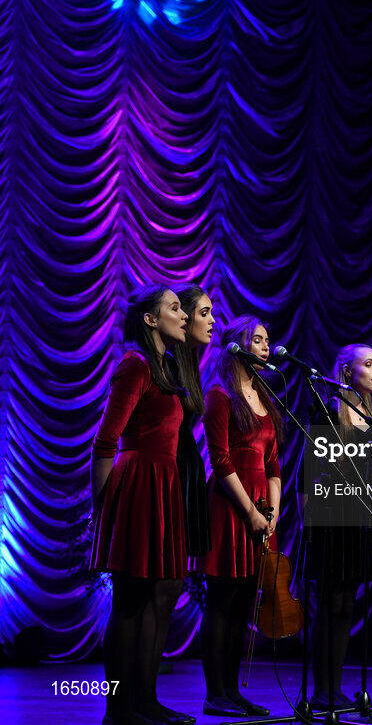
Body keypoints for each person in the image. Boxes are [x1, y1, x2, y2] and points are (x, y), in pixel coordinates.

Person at [90, 285, 195, 725]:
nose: (184, 315)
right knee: (130, 601)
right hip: (138, 487)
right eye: (175, 308)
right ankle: (117, 708)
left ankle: (143, 701)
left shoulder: (166, 367)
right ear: (150, 319)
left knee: (153, 596)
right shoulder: (134, 366)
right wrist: (105, 512)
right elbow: (105, 442)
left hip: (164, 486)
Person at [198, 317, 282, 717]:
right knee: (223, 603)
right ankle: (215, 694)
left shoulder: (265, 398)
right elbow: (219, 459)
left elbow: (274, 464)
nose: (265, 347)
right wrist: (249, 512)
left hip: (262, 515)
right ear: (236, 346)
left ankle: (233, 692)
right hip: (231, 510)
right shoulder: (220, 396)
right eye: (258, 340)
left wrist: (274, 512)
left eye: (267, 341)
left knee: (245, 602)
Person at [306, 343, 372, 711]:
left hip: (359, 518)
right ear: (348, 372)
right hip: (331, 517)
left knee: (347, 606)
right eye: (368, 364)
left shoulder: (370, 415)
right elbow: (309, 475)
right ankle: (321, 689)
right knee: (330, 602)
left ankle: (335, 685)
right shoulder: (327, 412)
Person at [172, 284, 215, 560]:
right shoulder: (170, 365)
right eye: (205, 313)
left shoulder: (189, 364)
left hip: (187, 468)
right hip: (174, 471)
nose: (212, 321)